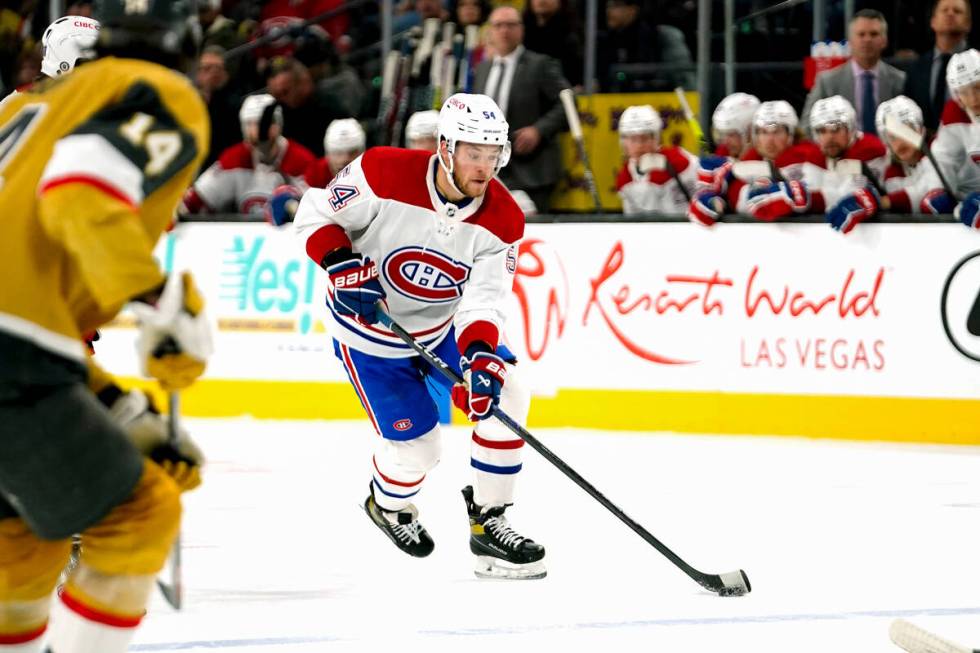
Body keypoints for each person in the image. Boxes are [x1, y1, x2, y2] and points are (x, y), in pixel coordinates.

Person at [0, 0, 212, 651]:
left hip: (25, 352)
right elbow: (81, 193)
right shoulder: (157, 91)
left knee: (22, 545)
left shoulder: (15, 113)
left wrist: (116, 407)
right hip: (16, 352)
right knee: (142, 514)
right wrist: (157, 299)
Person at [293, 93, 545, 580]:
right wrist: (340, 265)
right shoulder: (382, 172)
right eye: (474, 153)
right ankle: (389, 507)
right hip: (368, 337)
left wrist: (480, 359)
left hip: (440, 329)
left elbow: (483, 300)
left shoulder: (504, 218)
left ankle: (490, 524)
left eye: (493, 155)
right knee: (420, 450)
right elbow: (315, 214)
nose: (484, 166)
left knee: (508, 389)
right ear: (446, 149)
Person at [472, 6, 569, 213]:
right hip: (490, 168)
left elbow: (567, 102)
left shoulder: (540, 64)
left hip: (533, 169)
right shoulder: (482, 69)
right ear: (489, 31)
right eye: (498, 25)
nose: (504, 31)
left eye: (510, 25)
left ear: (521, 30)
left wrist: (539, 130)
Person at [689, 100, 823, 226]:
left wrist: (804, 197)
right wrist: (717, 202)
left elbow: (822, 198)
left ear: (791, 134)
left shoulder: (809, 157)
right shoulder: (745, 162)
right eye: (763, 132)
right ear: (754, 136)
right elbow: (739, 196)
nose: (770, 140)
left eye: (777, 132)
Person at [182, 93, 315, 217]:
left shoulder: (301, 161)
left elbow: (317, 211)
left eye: (263, 124)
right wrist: (179, 209)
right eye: (250, 124)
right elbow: (195, 200)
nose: (256, 131)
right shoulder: (233, 159)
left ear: (278, 125)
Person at [801, 9, 906, 137]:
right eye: (861, 34)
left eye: (874, 34)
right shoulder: (827, 82)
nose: (867, 39)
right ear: (850, 41)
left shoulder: (900, 80)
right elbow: (806, 127)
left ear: (884, 41)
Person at [807, 95, 888, 212]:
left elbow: (848, 197)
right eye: (822, 131)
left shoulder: (869, 150)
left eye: (836, 129)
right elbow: (811, 187)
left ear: (851, 129)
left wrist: (806, 198)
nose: (829, 137)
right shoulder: (817, 154)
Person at [615, 104, 698, 215]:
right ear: (624, 142)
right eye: (633, 139)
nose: (639, 145)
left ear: (656, 138)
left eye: (644, 138)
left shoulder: (680, 160)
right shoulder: (625, 178)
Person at [902, 0, 972, 131]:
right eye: (945, 10)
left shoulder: (977, 64)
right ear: (933, 22)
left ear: (968, 24)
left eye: (957, 11)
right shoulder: (915, 68)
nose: (950, 14)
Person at [933, 48, 980, 228]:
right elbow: (943, 161)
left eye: (977, 87)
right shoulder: (953, 112)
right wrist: (937, 191)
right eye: (964, 92)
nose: (973, 98)